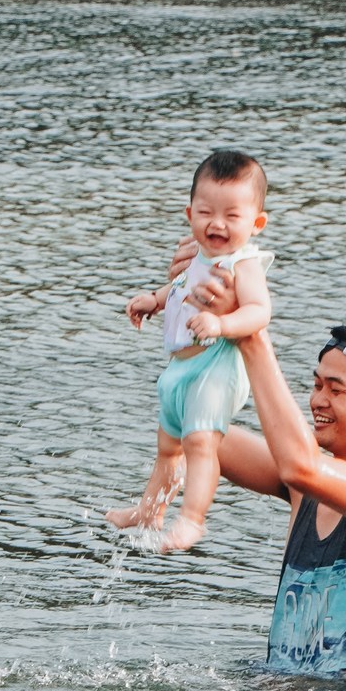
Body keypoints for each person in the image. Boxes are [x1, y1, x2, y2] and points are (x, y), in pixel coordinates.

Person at [182, 256, 346, 676]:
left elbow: (301, 466)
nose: (317, 400)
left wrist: (252, 336)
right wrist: (191, 301)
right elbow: (197, 430)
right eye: (316, 384)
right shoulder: (306, 486)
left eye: (335, 390)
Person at [105, 150, 275, 552]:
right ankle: (150, 510)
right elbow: (183, 289)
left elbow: (259, 312)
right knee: (169, 450)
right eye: (206, 212)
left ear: (256, 223)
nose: (217, 223)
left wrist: (221, 323)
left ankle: (192, 520)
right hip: (180, 368)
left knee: (200, 443)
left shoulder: (243, 264)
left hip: (216, 364)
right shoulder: (198, 256)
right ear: (189, 213)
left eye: (232, 216)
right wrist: (154, 298)